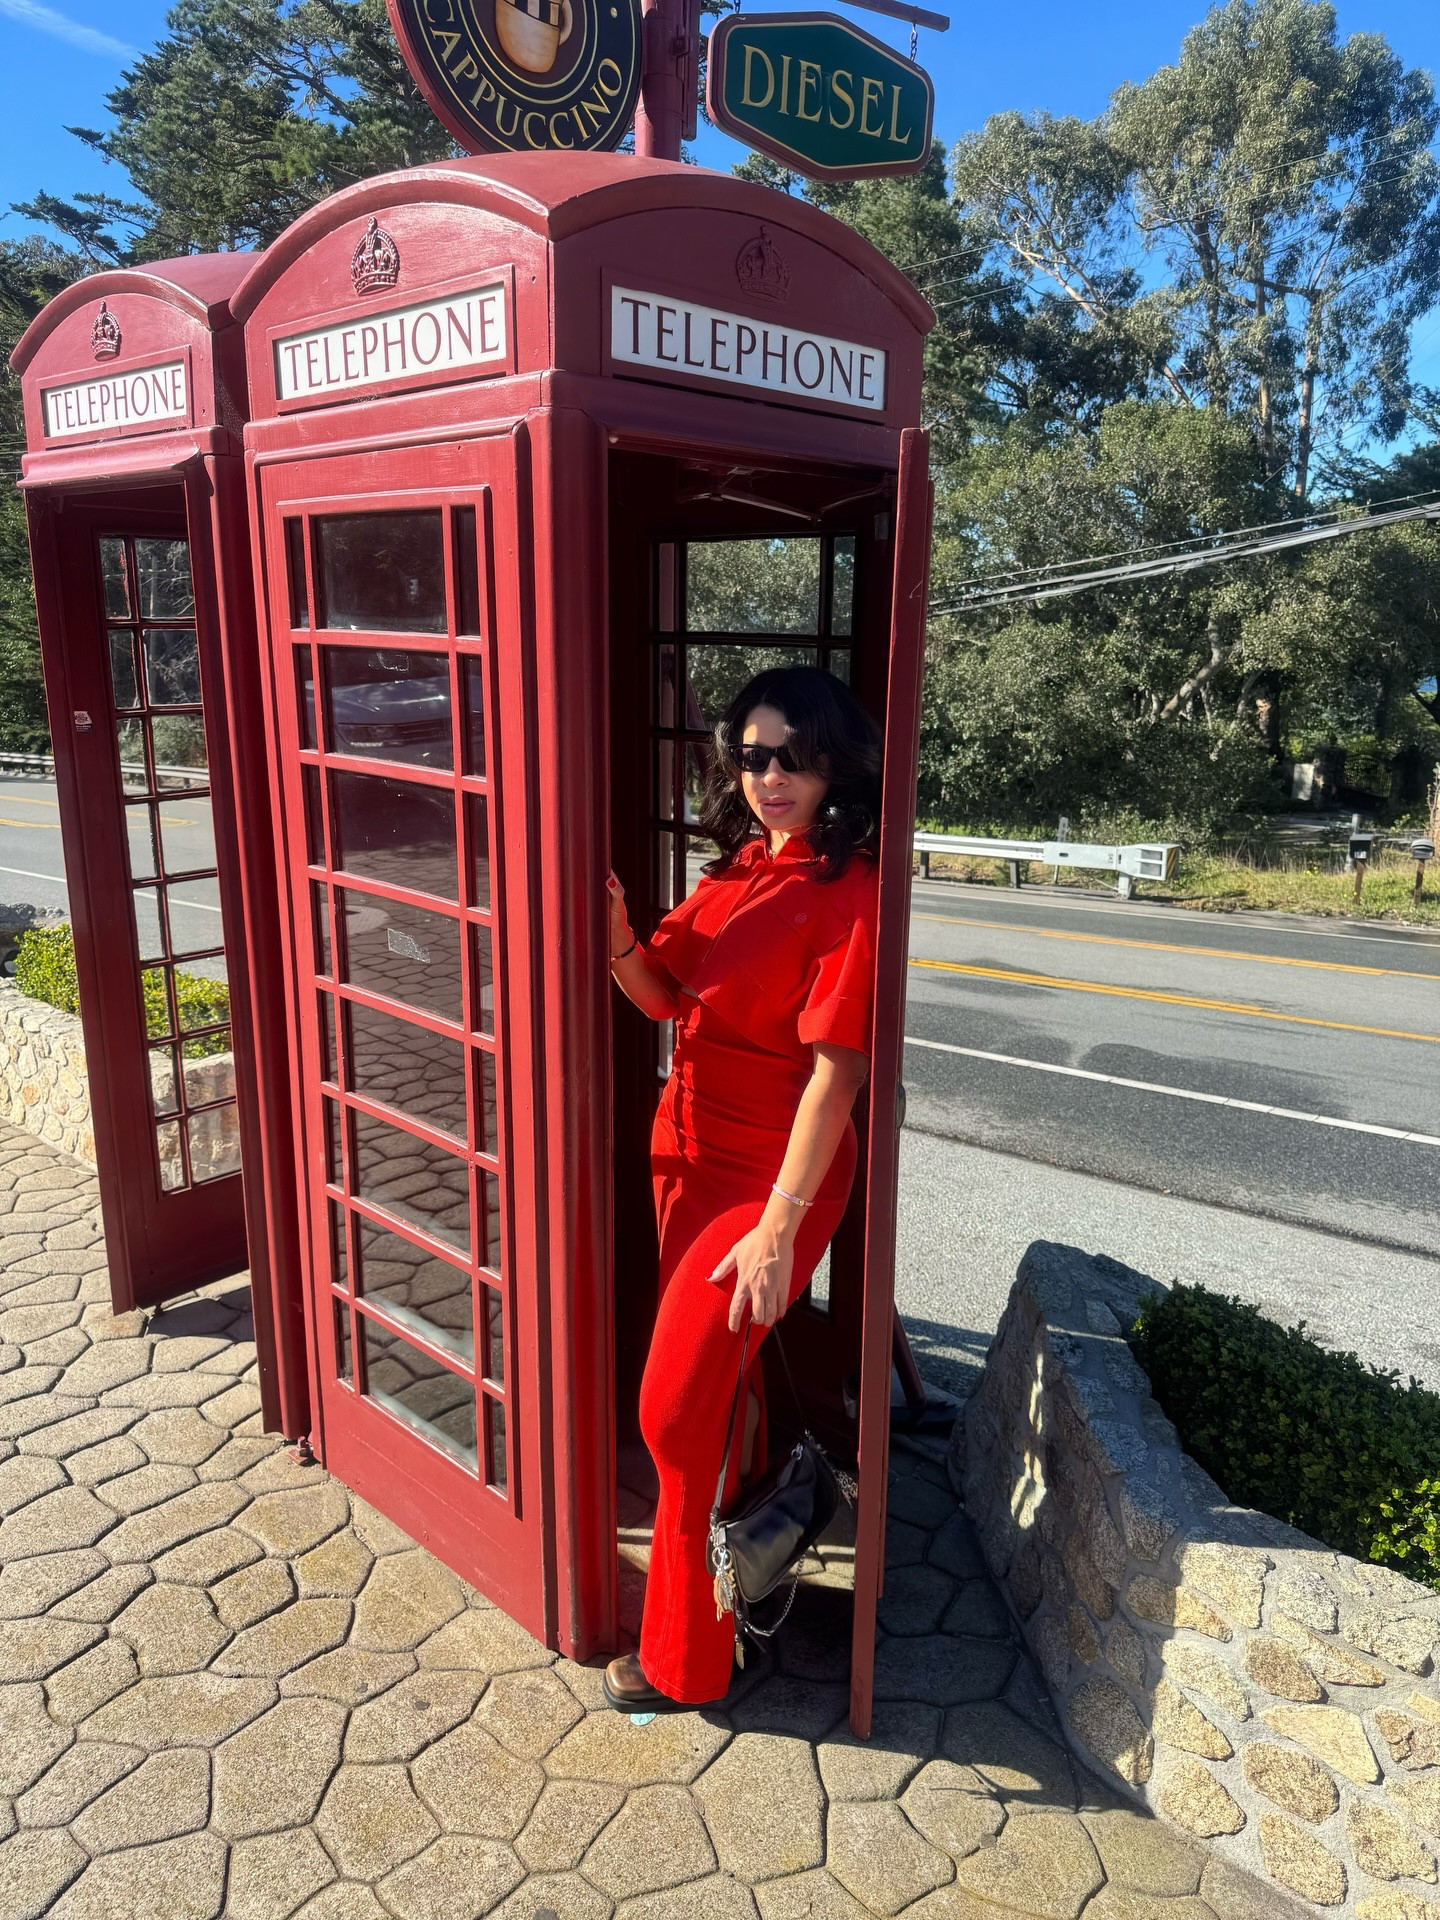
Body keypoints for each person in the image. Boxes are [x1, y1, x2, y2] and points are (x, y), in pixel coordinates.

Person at [603, 664, 882, 1712]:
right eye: (752, 755)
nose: (770, 777)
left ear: (830, 766)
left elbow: (838, 1077)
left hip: (772, 1179)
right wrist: (621, 935)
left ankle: (687, 1659)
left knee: (672, 1414)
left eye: (793, 760)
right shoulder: (737, 874)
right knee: (717, 1389)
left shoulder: (844, 889)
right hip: (685, 1153)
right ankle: (745, 1552)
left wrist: (778, 1227)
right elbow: (663, 995)